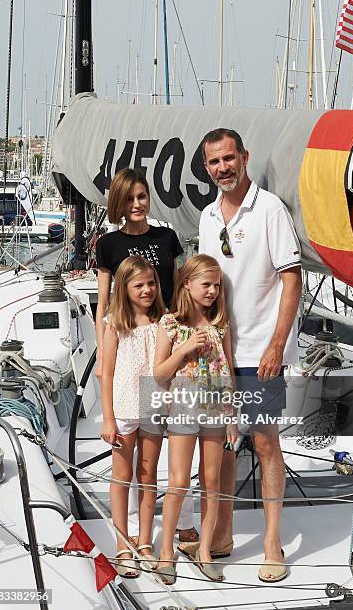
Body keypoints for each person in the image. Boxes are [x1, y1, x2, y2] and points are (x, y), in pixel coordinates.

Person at [181, 128, 302, 583]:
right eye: (213, 162)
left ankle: (272, 543)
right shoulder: (209, 216)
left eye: (228, 159)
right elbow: (204, 282)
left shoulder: (269, 209)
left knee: (266, 443)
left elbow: (292, 279)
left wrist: (276, 344)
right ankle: (224, 533)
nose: (222, 168)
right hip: (217, 353)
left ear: (244, 157)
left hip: (259, 351)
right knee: (222, 446)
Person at [95, 167, 198, 545]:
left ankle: (168, 529)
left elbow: (174, 292)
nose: (137, 204)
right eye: (130, 198)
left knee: (158, 462)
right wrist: (101, 346)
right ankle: (127, 538)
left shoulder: (166, 237)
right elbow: (105, 301)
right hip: (124, 359)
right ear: (118, 202)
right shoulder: (108, 244)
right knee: (127, 470)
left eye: (142, 196)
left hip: (163, 338)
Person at [153, 254, 238, 584]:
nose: (213, 291)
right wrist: (184, 349)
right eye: (206, 284)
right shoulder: (171, 324)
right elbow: (159, 373)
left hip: (216, 412)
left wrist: (232, 416)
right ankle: (165, 553)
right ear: (187, 284)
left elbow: (228, 370)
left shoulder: (220, 325)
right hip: (184, 410)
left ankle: (204, 551)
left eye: (217, 285)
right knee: (178, 482)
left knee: (212, 482)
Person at [101, 255, 165, 577]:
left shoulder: (164, 321)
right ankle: (122, 542)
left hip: (154, 406)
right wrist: (108, 418)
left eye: (151, 283)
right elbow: (108, 373)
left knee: (148, 474)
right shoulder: (115, 322)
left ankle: (145, 541)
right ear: (124, 289)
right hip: (125, 407)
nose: (147, 290)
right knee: (122, 475)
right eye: (138, 285)